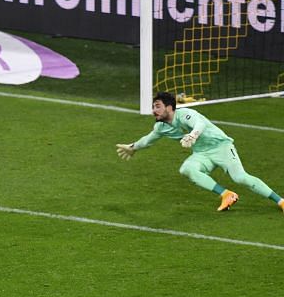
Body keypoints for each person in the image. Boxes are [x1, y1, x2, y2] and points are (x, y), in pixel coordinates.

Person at [117, 91, 284, 213]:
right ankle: (227, 194)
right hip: (203, 153)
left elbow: (200, 124)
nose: (154, 110)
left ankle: (280, 201)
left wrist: (193, 135)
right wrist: (133, 148)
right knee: (186, 169)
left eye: (158, 106)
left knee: (240, 177)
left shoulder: (185, 115)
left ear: (169, 107)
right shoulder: (161, 127)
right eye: (153, 107)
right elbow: (148, 139)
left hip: (222, 147)